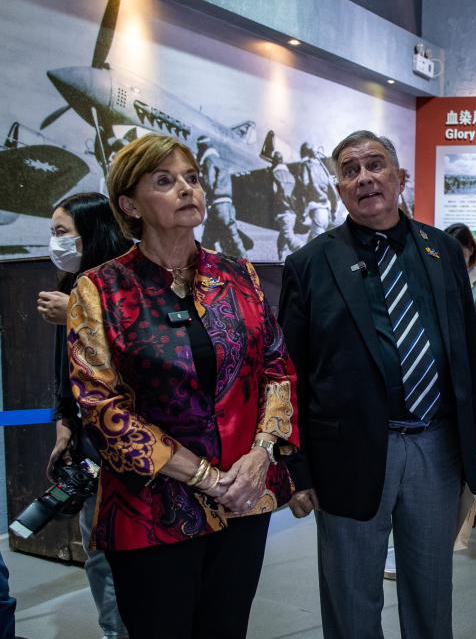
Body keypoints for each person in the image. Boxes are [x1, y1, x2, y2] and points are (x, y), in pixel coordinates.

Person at [66, 132, 305, 639]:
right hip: (150, 509)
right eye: (164, 180)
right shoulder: (101, 288)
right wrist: (206, 478)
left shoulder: (238, 275)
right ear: (130, 205)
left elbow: (277, 369)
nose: (186, 189)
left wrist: (260, 455)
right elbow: (101, 407)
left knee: (227, 628)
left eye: (191, 178)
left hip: (244, 497)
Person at [278, 130, 476, 639]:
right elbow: (288, 375)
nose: (364, 178)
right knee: (351, 599)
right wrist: (295, 468)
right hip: (346, 457)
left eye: (375, 164)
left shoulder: (442, 250)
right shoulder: (309, 264)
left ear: (400, 177)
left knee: (431, 592)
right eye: (350, 170)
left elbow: (469, 348)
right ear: (339, 188)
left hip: (435, 447)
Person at [37, 192, 131, 639]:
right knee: (99, 551)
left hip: (130, 446)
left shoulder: (122, 286)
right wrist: (64, 425)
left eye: (62, 232)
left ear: (92, 234)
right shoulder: (72, 287)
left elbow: (135, 355)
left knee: (122, 554)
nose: (54, 242)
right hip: (88, 447)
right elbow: (66, 372)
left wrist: (76, 315)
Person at [196, 135, 248, 259]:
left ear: (202, 148)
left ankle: (246, 266)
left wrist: (199, 179)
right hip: (226, 205)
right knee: (211, 241)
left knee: (229, 240)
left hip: (218, 206)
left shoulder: (209, 160)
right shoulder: (220, 161)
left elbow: (209, 183)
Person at [297, 142, 337, 241]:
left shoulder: (306, 165)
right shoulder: (323, 169)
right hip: (326, 212)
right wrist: (333, 211)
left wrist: (302, 211)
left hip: (317, 211)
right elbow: (333, 193)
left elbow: (304, 186)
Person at [271, 150, 304, 260]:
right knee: (282, 239)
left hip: (284, 212)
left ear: (274, 162)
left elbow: (275, 193)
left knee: (289, 238)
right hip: (292, 212)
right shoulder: (290, 176)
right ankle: (281, 259)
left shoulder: (275, 174)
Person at [445, 222, 476, 300]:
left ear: (471, 250)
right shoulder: (439, 278)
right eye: (449, 254)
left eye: (460, 255)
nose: (454, 261)